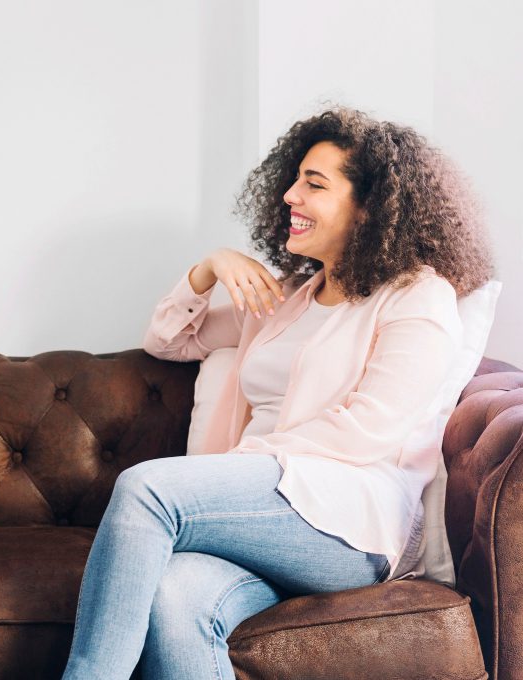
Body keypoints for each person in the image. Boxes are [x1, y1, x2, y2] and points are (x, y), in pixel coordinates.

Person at [61, 107, 494, 679]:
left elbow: (369, 430)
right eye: (293, 180)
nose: (291, 194)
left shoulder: (417, 295)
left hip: (348, 515)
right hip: (261, 512)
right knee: (175, 595)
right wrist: (209, 268)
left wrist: (232, 470)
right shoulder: (285, 297)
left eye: (314, 184)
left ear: (370, 207)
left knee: (150, 489)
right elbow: (167, 341)